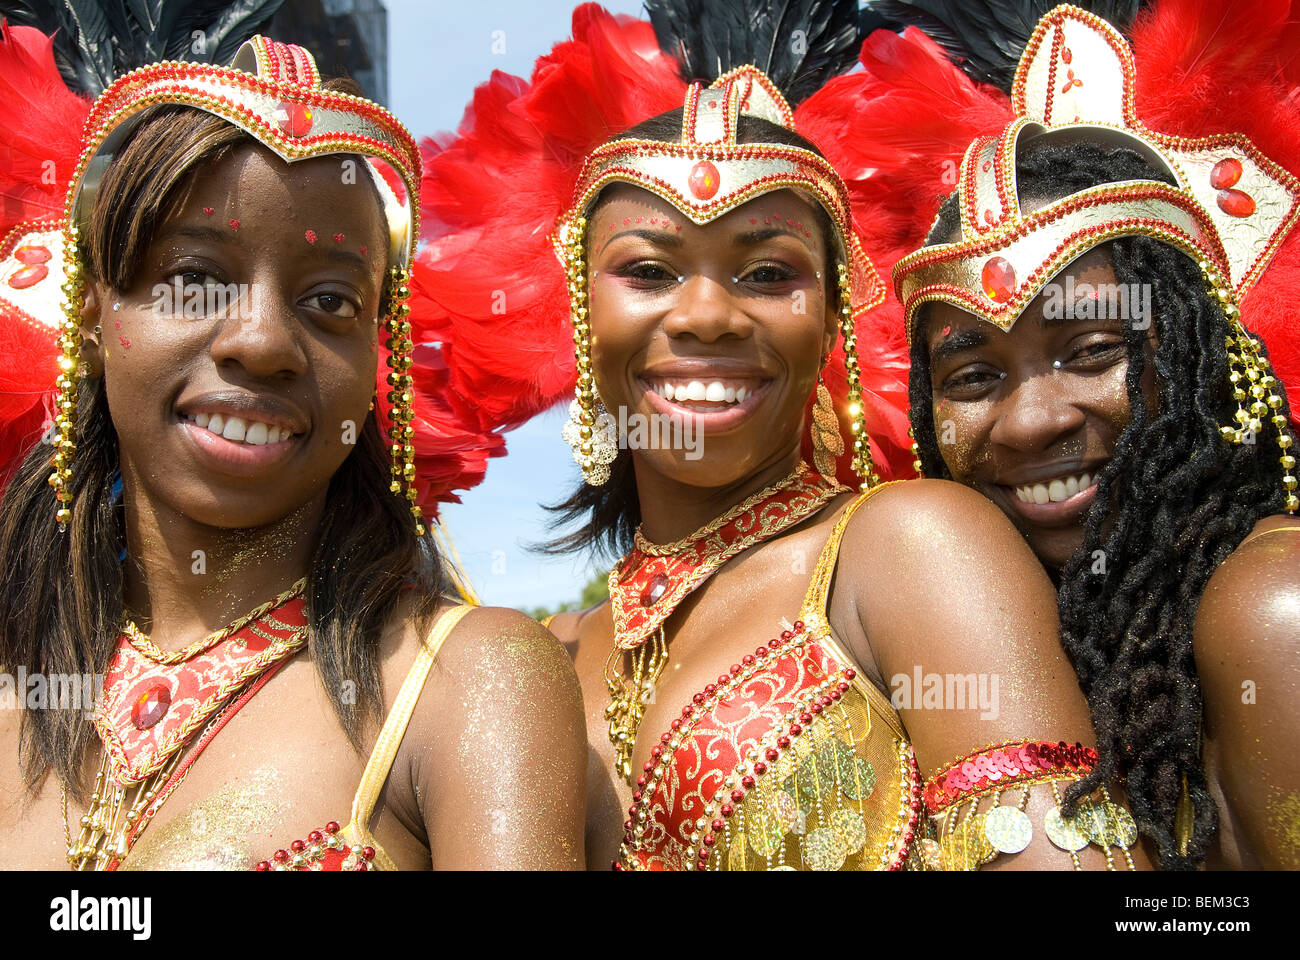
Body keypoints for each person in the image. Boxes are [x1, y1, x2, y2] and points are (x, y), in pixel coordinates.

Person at [415, 0, 1149, 871]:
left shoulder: (908, 546)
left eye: (769, 273)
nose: (707, 316)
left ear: (834, 320)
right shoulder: (543, 652)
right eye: (648, 271)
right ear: (582, 310)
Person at [0, 25, 585, 870]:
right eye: (194, 279)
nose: (263, 342)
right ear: (93, 318)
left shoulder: (463, 684)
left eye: (329, 301)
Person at [850, 1, 1300, 868]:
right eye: (973, 376)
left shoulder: (1271, 610)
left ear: (1210, 358)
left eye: (1094, 351)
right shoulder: (1029, 637)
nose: (1031, 421)